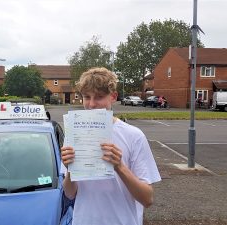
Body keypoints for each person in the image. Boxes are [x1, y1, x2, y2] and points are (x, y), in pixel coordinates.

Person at [61, 67, 161, 225]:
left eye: (99, 97)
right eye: (87, 97)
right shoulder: (75, 133)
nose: (91, 104)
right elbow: (70, 193)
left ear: (113, 96)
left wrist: (119, 166)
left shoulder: (134, 135)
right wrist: (70, 172)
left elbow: (147, 199)